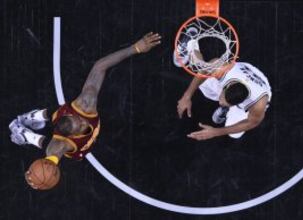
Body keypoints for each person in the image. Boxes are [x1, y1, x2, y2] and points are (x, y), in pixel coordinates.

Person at [9, 32, 161, 170]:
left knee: (57, 112)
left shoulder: (84, 106)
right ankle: (28, 136)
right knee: (46, 143)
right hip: (73, 144)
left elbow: (99, 67)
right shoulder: (61, 145)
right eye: (80, 125)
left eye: (77, 119)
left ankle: (33, 118)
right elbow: (49, 163)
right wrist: (45, 172)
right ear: (71, 136)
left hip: (66, 119)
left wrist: (136, 48)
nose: (83, 121)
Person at [174, 28, 272, 141]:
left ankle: (227, 110)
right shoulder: (223, 70)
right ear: (225, 87)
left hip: (260, 84)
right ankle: (190, 46)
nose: (220, 102)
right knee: (202, 79)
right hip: (245, 70)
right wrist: (187, 96)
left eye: (225, 103)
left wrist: (216, 132)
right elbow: (205, 70)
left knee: (235, 134)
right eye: (222, 100)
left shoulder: (258, 104)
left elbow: (252, 122)